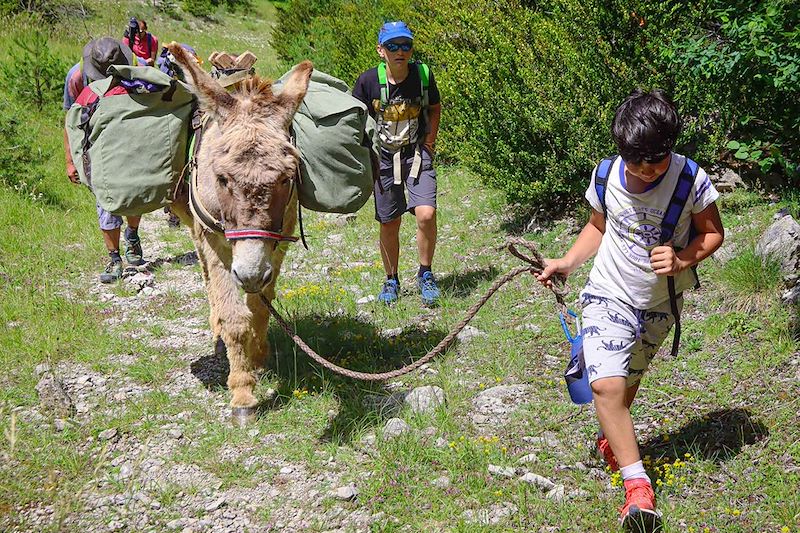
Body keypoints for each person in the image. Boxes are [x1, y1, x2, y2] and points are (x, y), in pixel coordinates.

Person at [536, 89, 724, 528]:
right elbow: (596, 227)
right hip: (608, 293)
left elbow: (712, 234)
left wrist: (682, 260)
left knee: (627, 385)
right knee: (606, 386)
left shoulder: (690, 179)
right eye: (637, 162)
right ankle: (638, 490)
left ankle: (612, 443)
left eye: (656, 162)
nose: (646, 171)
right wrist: (565, 262)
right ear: (622, 151)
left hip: (659, 304)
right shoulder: (606, 177)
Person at [352, 21, 443, 306]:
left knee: (426, 214)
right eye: (392, 46)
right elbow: (355, 118)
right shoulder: (367, 82)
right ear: (381, 50)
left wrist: (429, 143)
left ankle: (425, 274)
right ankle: (391, 280)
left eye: (405, 45)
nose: (400, 51)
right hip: (383, 159)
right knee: (390, 222)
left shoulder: (423, 75)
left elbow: (435, 107)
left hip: (416, 154)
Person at [63, 37, 147, 283]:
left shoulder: (138, 83)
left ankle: (132, 236)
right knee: (107, 205)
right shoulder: (83, 88)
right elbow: (70, 124)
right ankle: (114, 258)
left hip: (132, 152)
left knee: (134, 199)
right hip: (101, 158)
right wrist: (71, 161)